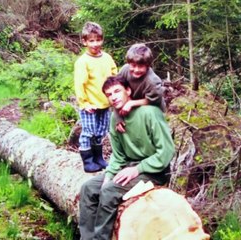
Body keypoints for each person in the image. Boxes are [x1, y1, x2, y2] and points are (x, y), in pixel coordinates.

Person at [78, 76, 175, 240]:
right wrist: (108, 176)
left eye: (117, 91)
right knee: (89, 188)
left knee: (109, 192)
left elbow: (166, 152)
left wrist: (138, 169)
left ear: (128, 91)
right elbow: (118, 155)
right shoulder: (115, 118)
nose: (113, 97)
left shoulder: (150, 113)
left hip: (154, 171)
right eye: (109, 94)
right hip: (129, 167)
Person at [74, 21, 118, 173]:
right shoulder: (83, 62)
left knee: (101, 132)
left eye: (98, 40)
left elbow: (114, 75)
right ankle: (88, 161)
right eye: (91, 41)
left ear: (102, 40)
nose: (95, 44)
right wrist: (84, 103)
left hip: (105, 104)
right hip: (90, 106)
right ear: (84, 41)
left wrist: (115, 95)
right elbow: (80, 84)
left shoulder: (106, 57)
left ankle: (99, 158)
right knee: (88, 132)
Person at [115, 43, 165, 133]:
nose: (136, 70)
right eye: (133, 65)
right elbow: (116, 93)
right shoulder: (124, 71)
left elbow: (153, 100)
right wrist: (118, 118)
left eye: (141, 66)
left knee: (148, 133)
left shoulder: (152, 81)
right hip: (131, 107)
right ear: (128, 63)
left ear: (148, 65)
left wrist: (131, 103)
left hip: (152, 110)